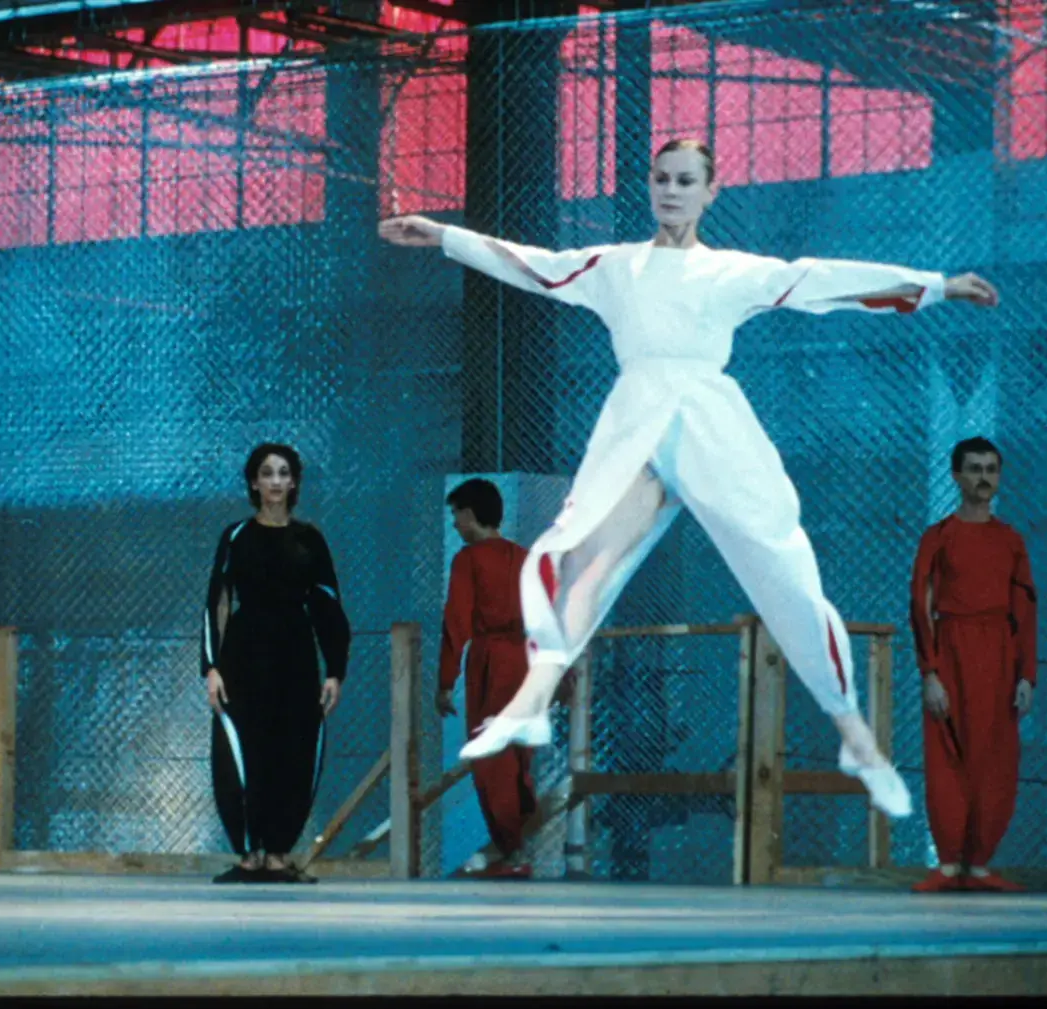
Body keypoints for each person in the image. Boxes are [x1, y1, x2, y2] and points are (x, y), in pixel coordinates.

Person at [379, 138, 1001, 819]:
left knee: (781, 567)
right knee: (587, 556)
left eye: (686, 181)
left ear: (711, 192)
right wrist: (442, 235)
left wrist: (936, 286)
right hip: (639, 419)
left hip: (707, 423)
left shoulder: (730, 272)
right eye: (662, 179)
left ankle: (853, 733)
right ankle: (530, 704)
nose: (672, 191)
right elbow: (535, 266)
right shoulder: (615, 267)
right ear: (649, 186)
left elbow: (820, 280)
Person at [201, 443, 350, 884]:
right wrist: (211, 667)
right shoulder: (235, 537)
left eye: (284, 473)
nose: (276, 482)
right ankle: (249, 855)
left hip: (296, 656)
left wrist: (335, 670)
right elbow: (218, 602)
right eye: (267, 473)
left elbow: (328, 606)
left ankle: (280, 854)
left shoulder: (310, 540)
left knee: (295, 751)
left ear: (295, 482)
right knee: (242, 752)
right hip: (244, 656)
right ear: (254, 482)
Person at [910, 438, 1036, 892]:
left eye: (991, 469)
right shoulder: (938, 538)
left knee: (996, 759)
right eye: (975, 469)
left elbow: (1024, 607)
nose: (984, 477)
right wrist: (930, 672)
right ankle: (947, 865)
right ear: (957, 476)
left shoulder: (1010, 541)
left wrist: (1026, 674)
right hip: (952, 651)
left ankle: (979, 865)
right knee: (946, 756)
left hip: (998, 657)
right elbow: (921, 604)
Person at [438, 479, 536, 879]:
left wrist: (445, 681)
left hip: (491, 664)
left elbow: (456, 622)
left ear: (469, 513)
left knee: (490, 757)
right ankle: (513, 847)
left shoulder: (468, 560)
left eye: (455, 515)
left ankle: (512, 853)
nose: (454, 525)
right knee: (518, 758)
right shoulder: (525, 557)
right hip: (527, 661)